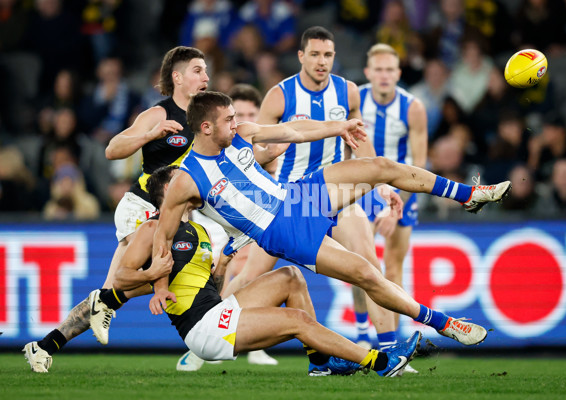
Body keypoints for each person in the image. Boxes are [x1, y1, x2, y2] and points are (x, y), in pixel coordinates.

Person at [152, 91, 511, 359]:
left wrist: (337, 127)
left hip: (296, 195)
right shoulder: (186, 179)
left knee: (380, 166)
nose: (237, 122)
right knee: (366, 274)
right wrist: (159, 287)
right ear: (206, 127)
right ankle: (446, 324)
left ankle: (469, 195)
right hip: (281, 230)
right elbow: (162, 237)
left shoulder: (242, 134)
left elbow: (291, 131)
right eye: (229, 119)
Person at [24, 164, 423, 377]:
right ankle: (378, 362)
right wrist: (153, 279)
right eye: (183, 188)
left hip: (214, 309)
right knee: (298, 319)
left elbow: (206, 285)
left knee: (291, 278)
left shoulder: (197, 228)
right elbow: (123, 280)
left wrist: (221, 264)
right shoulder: (151, 230)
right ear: (168, 195)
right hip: (202, 329)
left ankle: (320, 366)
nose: (192, 192)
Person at [223, 26, 400, 354]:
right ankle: (207, 324)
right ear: (301, 56)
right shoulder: (280, 95)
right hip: (291, 200)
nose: (322, 61)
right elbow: (255, 150)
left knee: (369, 264)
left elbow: (363, 146)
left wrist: (383, 186)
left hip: (338, 195)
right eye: (315, 54)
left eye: (328, 55)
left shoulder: (348, 93)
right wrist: (267, 157)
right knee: (250, 276)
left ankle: (390, 350)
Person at [86, 46, 208, 347]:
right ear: (177, 77)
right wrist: (150, 135)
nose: (206, 77)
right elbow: (112, 149)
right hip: (141, 205)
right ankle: (102, 302)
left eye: (206, 71)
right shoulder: (159, 112)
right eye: (198, 70)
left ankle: (91, 310)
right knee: (138, 271)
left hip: (173, 212)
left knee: (125, 280)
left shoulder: (205, 120)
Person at [178, 83, 279, 369]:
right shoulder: (227, 146)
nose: (241, 120)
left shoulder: (258, 138)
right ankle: (212, 333)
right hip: (227, 222)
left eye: (249, 113)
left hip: (266, 216)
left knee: (260, 275)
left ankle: (250, 344)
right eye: (238, 114)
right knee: (247, 276)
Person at [354, 44, 427, 354]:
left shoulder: (413, 108)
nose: (384, 76)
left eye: (389, 70)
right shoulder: (355, 99)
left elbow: (418, 167)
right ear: (369, 73)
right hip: (362, 190)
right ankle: (360, 334)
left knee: (393, 268)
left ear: (398, 74)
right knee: (359, 265)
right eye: (378, 70)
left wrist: (395, 203)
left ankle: (392, 345)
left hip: (402, 193)